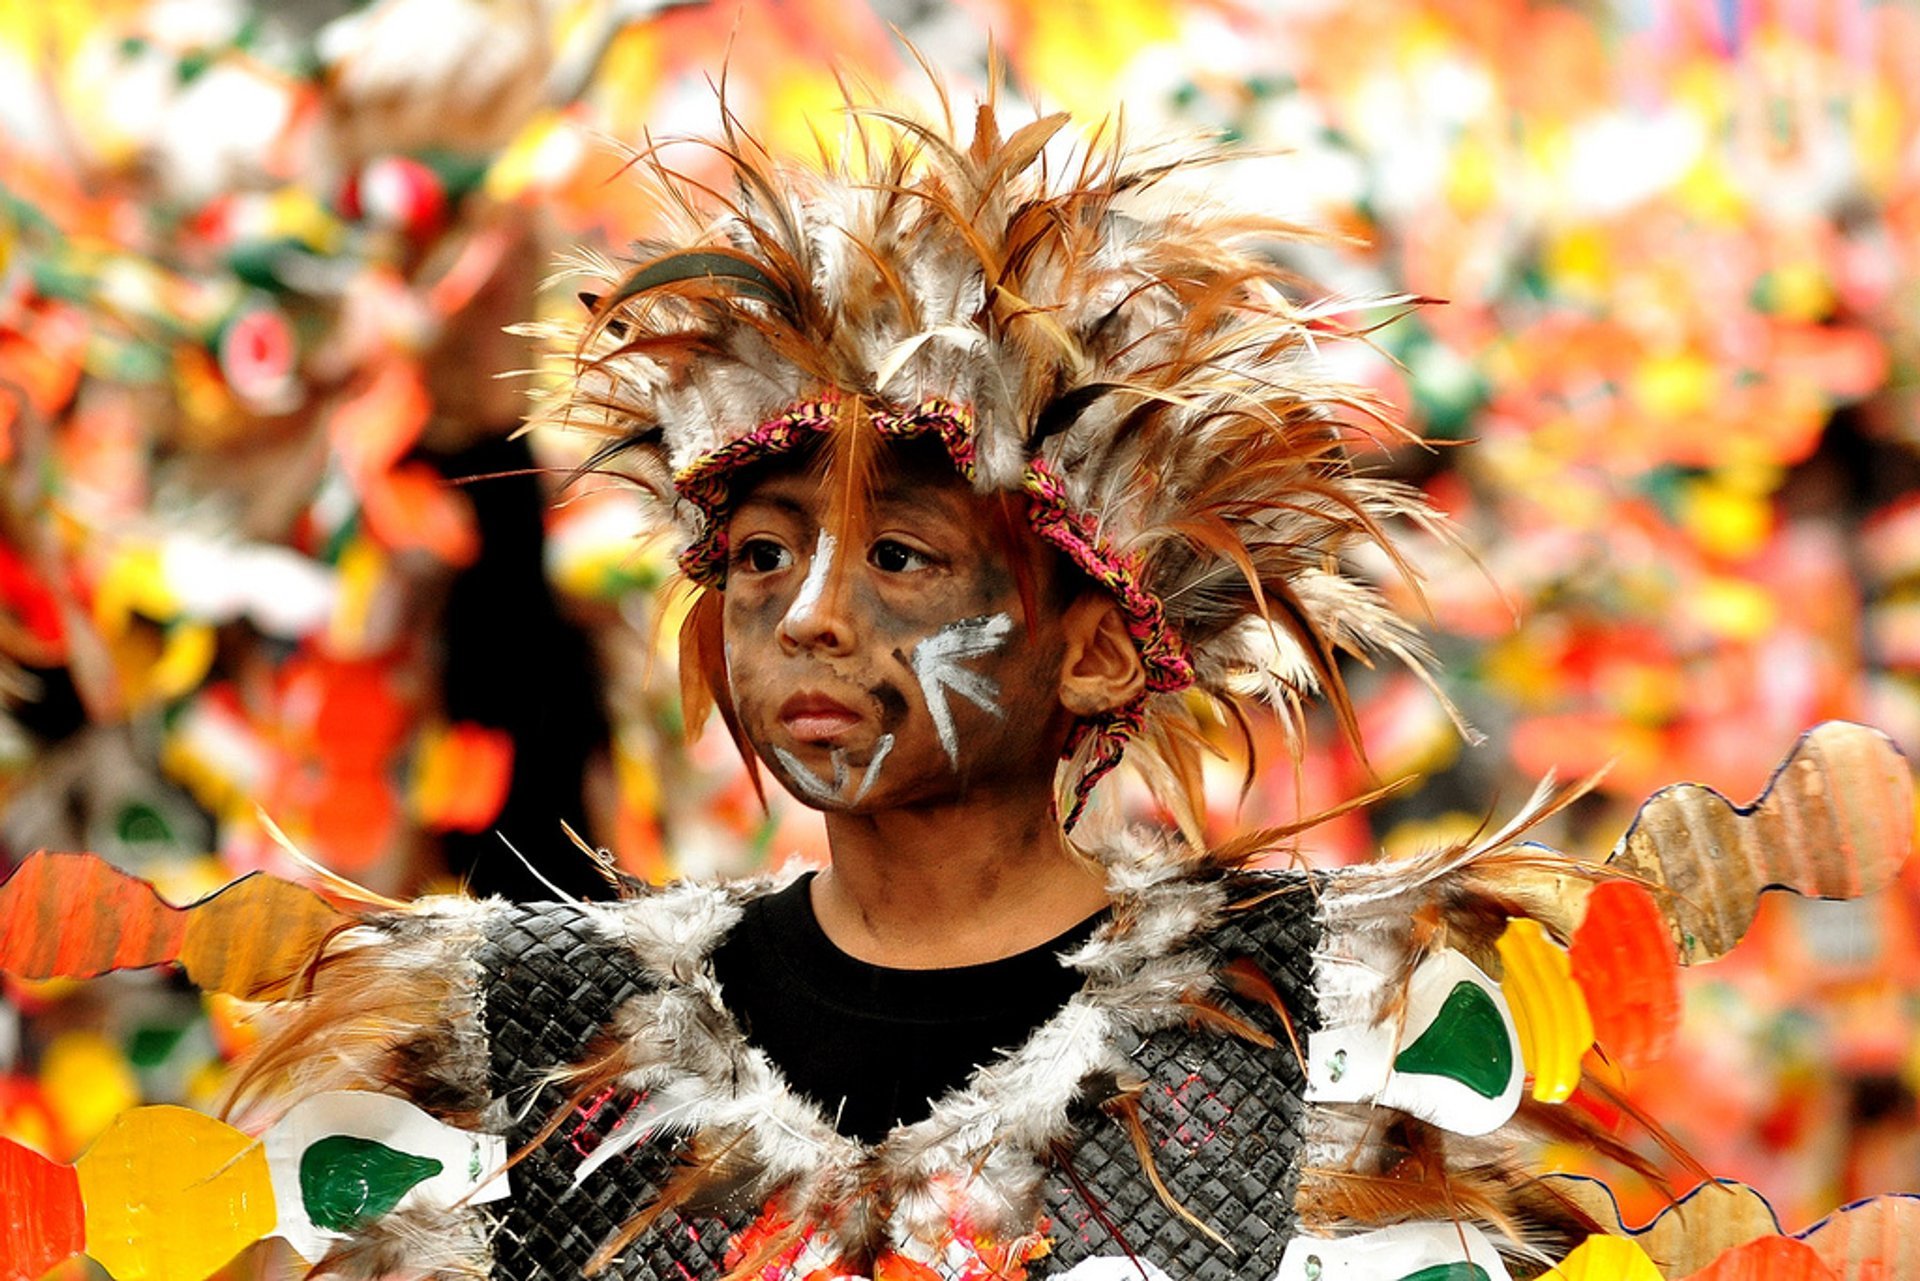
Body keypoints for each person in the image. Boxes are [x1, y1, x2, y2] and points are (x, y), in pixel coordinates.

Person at [3, 80, 1914, 1281]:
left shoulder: (1336, 1033)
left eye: (903, 558)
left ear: (1102, 643)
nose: (808, 617)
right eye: (756, 559)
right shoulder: (513, 1040)